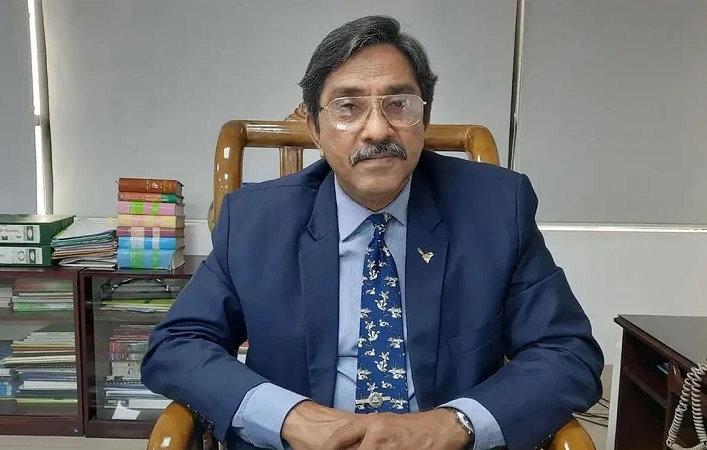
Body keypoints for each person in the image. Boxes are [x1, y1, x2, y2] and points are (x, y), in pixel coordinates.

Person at [141, 15, 604, 450]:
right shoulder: (256, 220)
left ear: (423, 118)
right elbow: (176, 346)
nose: (377, 130)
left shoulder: (496, 208)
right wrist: (289, 417)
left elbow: (567, 352)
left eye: (399, 104)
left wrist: (454, 424)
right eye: (348, 107)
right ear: (315, 128)